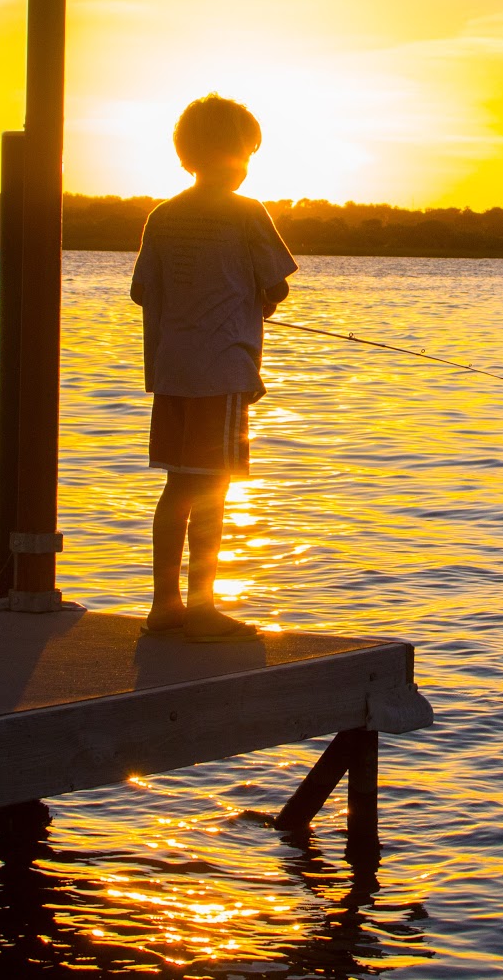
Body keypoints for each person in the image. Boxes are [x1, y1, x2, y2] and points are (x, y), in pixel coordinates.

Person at [130, 94, 297, 642]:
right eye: (245, 154)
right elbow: (277, 287)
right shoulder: (248, 214)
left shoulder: (162, 217)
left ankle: (165, 604)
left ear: (187, 154)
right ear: (235, 156)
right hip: (223, 371)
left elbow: (141, 291)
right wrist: (257, 301)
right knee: (213, 488)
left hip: (172, 372)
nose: (246, 166)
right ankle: (203, 609)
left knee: (178, 487)